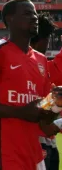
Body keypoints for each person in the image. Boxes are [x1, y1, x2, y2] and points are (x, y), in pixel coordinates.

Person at [0, 0, 55, 170]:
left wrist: (55, 104)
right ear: (10, 19)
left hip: (34, 153)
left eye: (35, 13)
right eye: (28, 13)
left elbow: (43, 108)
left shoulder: (41, 60)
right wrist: (19, 112)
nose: (35, 17)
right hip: (3, 153)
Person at [31, 12, 62, 170]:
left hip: (48, 141)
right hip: (37, 142)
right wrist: (56, 99)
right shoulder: (33, 65)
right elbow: (42, 114)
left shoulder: (43, 65)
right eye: (47, 40)